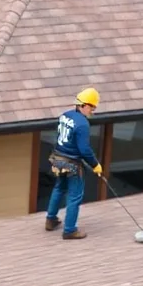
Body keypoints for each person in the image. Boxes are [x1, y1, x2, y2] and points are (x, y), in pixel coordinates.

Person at [44, 87, 104, 239]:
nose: (93, 111)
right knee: (75, 196)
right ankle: (70, 230)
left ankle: (50, 220)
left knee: (59, 188)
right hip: (72, 163)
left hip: (57, 158)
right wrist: (95, 164)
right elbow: (84, 149)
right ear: (83, 105)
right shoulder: (82, 124)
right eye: (92, 107)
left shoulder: (65, 116)